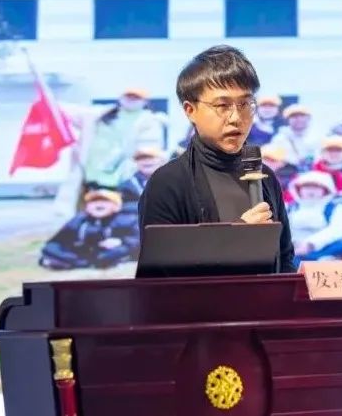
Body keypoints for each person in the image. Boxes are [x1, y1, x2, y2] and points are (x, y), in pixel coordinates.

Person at [137, 45, 295, 273]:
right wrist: (237, 238)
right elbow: (159, 276)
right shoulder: (167, 183)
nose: (236, 118)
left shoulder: (265, 177)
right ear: (190, 110)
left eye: (245, 104)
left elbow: (285, 260)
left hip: (265, 307)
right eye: (222, 105)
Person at [54, 88, 166, 216]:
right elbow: (68, 112)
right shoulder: (102, 113)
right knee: (86, 218)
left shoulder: (150, 121)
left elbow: (148, 153)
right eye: (128, 96)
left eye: (136, 97)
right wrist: (50, 101)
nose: (131, 99)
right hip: (90, 180)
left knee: (117, 220)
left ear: (144, 101)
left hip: (120, 183)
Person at [40, 188, 140, 270]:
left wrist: (120, 242)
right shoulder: (78, 221)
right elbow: (55, 242)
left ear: (116, 207)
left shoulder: (128, 220)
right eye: (94, 201)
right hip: (83, 254)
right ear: (87, 207)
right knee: (49, 250)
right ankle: (80, 263)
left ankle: (76, 263)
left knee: (114, 254)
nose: (99, 204)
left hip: (113, 252)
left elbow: (137, 242)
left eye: (105, 201)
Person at [287, 171, 342, 262]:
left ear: (326, 190)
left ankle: (321, 259)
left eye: (316, 187)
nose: (311, 191)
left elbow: (339, 229)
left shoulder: (338, 208)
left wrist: (310, 244)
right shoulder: (288, 208)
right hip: (294, 249)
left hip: (323, 248)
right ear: (298, 190)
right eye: (306, 187)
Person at [272, 104, 320, 169]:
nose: (298, 119)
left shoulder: (318, 137)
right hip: (287, 173)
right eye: (294, 116)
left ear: (309, 118)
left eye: (302, 116)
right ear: (287, 120)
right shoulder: (279, 139)